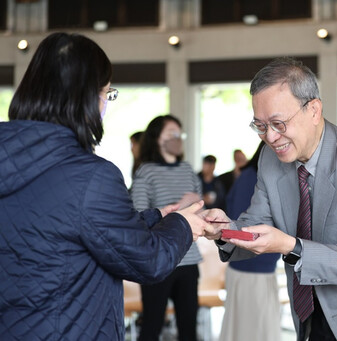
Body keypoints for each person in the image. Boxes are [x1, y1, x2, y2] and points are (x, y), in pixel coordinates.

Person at [0, 32, 211, 340]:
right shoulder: (91, 176)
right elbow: (147, 261)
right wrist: (183, 225)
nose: (107, 105)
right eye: (107, 94)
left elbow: (62, 227)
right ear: (86, 97)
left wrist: (155, 218)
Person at [202, 57, 337, 340]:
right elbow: (256, 226)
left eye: (278, 123)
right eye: (260, 125)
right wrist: (225, 231)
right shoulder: (271, 160)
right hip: (310, 316)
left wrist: (290, 246)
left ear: (314, 110)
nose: (269, 137)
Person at [131, 114, 203, 341]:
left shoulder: (188, 169)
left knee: (189, 328)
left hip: (189, 259)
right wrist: (180, 207)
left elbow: (198, 211)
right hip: (158, 260)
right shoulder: (146, 171)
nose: (176, 137)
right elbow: (138, 217)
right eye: (171, 132)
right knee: (152, 325)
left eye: (178, 133)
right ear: (156, 138)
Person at [220, 141, 281, 341]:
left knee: (258, 328)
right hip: (250, 266)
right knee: (251, 330)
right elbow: (241, 225)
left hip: (260, 266)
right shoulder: (251, 179)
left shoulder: (258, 177)